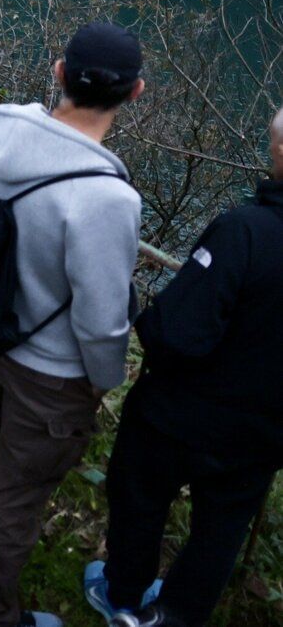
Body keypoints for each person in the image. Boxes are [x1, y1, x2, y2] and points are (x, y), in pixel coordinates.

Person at [0, 22, 146, 627]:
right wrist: (104, 378)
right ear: (135, 92)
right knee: (16, 492)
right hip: (52, 368)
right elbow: (101, 318)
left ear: (59, 72)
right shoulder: (107, 197)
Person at [84, 107, 283, 627]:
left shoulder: (247, 232)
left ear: (279, 153)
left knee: (141, 496)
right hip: (264, 432)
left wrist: (147, 322)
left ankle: (123, 594)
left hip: (182, 413)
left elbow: (178, 332)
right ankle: (175, 616)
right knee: (222, 528)